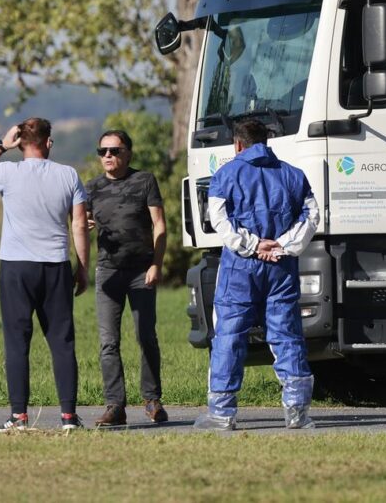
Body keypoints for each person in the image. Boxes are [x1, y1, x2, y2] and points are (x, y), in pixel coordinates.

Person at [0, 117, 89, 432]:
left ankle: (19, 416)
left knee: (17, 342)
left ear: (20, 143)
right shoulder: (68, 175)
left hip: (16, 267)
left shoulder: (7, 172)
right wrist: (83, 268)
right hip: (55, 266)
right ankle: (68, 417)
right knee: (62, 342)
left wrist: (0, 146)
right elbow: (78, 225)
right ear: (49, 142)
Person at [194, 119, 319, 431]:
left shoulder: (225, 174)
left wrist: (250, 245)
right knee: (287, 334)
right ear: (267, 141)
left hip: (240, 268)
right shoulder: (293, 174)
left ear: (238, 144)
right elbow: (313, 215)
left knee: (229, 336)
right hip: (281, 267)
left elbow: (220, 221)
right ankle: (297, 413)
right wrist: (282, 246)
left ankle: (222, 414)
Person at [84, 129, 168, 427]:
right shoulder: (91, 188)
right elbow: (80, 223)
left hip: (141, 271)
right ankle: (115, 406)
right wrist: (86, 224)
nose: (108, 156)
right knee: (108, 342)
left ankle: (152, 399)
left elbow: (159, 225)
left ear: (128, 153)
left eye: (114, 150)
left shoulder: (144, 180)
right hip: (108, 273)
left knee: (146, 336)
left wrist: (157, 264)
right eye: (103, 151)